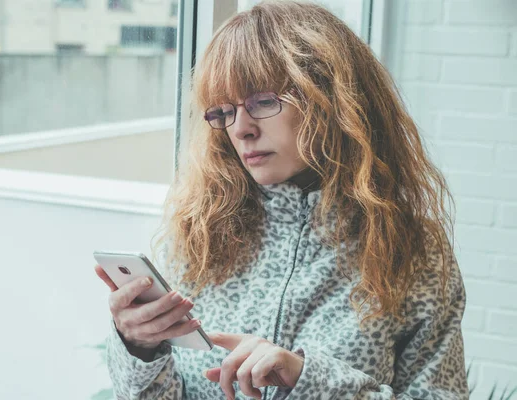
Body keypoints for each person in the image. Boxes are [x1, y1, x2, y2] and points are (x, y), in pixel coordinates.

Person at [94, 1, 469, 399]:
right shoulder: (199, 231)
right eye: (224, 111)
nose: (241, 129)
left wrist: (308, 379)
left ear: (334, 101)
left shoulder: (412, 249)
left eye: (262, 101)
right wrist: (139, 348)